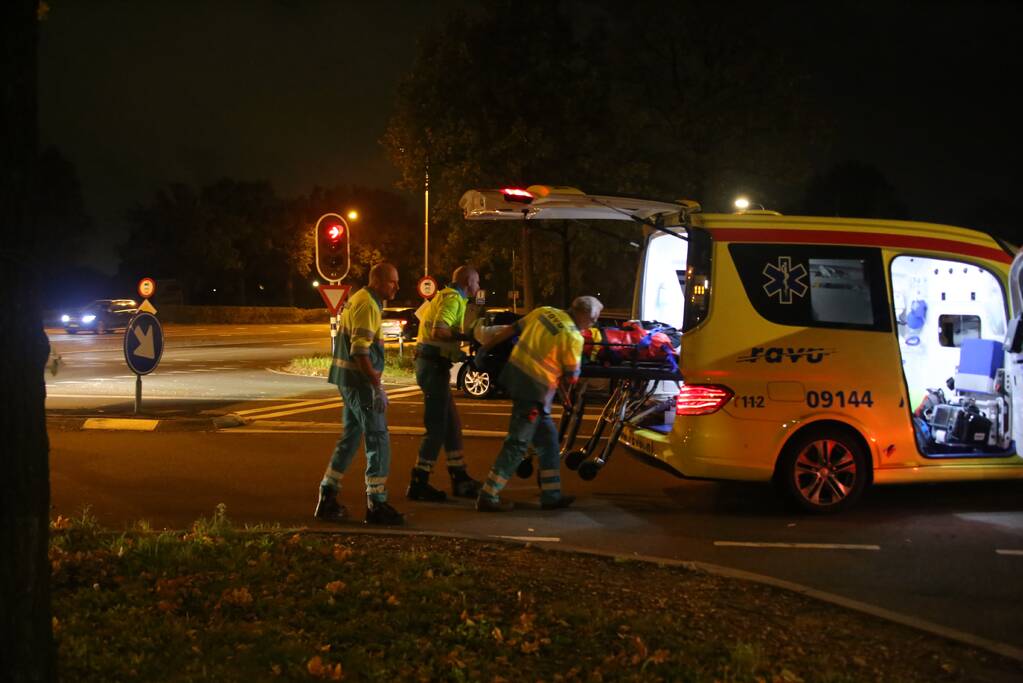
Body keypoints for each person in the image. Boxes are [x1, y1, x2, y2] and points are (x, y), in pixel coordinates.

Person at [475, 295, 603, 512]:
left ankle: (551, 495)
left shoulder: (544, 311)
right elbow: (572, 376)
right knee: (517, 443)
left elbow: (512, 329)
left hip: (515, 378)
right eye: (592, 320)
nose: (592, 324)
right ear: (583, 315)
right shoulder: (573, 336)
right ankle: (488, 494)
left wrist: (485, 348)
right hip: (534, 392)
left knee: (549, 442)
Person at [314, 262, 404, 526]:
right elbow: (360, 350)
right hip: (359, 381)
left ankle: (327, 495)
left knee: (351, 438)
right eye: (392, 282)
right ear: (377, 281)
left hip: (349, 380)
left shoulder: (362, 300)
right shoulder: (367, 305)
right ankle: (376, 503)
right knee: (378, 438)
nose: (397, 286)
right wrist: (377, 386)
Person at [407, 265, 484, 501]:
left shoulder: (446, 296)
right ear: (468, 281)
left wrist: (457, 354)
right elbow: (440, 331)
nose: (479, 287)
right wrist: (467, 337)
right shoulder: (453, 300)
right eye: (477, 282)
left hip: (433, 365)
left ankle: (459, 476)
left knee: (452, 425)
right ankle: (419, 481)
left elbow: (436, 337)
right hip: (433, 368)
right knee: (437, 428)